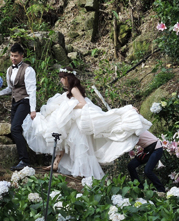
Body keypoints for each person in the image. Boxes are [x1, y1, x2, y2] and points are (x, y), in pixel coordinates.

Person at [22, 67, 150, 179]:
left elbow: (83, 103)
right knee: (66, 140)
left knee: (78, 143)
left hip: (79, 119)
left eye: (62, 78)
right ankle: (56, 163)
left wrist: (70, 107)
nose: (61, 80)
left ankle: (82, 170)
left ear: (67, 78)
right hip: (75, 119)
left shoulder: (74, 89)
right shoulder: (71, 90)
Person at [0, 43, 37, 171]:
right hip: (15, 101)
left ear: (22, 56)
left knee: (15, 129)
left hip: (25, 101)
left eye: (16, 56)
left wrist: (33, 109)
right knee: (15, 130)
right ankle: (22, 158)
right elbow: (10, 88)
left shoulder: (28, 70)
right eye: (11, 56)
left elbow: (32, 91)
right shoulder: (9, 70)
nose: (13, 58)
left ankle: (25, 161)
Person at [127, 123, 165, 193]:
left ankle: (161, 190)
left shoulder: (135, 130)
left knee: (148, 170)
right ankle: (138, 188)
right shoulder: (130, 132)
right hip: (147, 150)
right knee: (131, 165)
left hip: (156, 148)